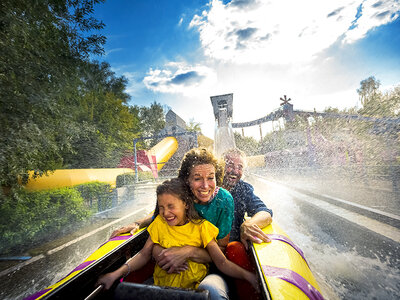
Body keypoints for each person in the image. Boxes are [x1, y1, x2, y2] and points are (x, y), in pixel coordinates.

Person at [96, 178, 257, 292]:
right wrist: (114, 275)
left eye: (171, 206)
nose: (166, 213)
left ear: (186, 204)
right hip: (163, 288)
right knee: (124, 292)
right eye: (161, 207)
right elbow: (144, 254)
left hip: (196, 287)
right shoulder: (159, 223)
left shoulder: (202, 228)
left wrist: (248, 276)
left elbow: (221, 262)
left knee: (212, 292)